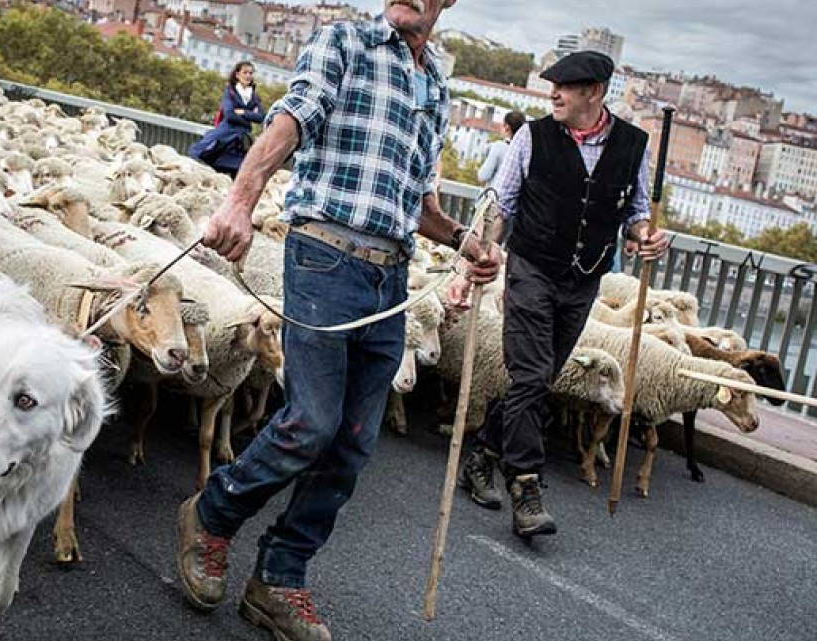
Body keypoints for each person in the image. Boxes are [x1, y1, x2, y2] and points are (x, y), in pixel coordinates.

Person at [176, 2, 499, 640]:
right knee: (312, 423)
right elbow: (289, 122)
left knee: (352, 442)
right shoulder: (346, 42)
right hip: (324, 255)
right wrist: (239, 202)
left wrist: (465, 242)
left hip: (390, 275)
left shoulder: (435, 83)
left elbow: (417, 200)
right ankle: (211, 515)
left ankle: (279, 578)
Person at [452, 51, 669, 538]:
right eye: (553, 84)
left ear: (594, 92)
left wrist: (646, 236)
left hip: (584, 280)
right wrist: (476, 259)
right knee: (531, 375)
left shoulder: (633, 145)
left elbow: (636, 213)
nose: (553, 93)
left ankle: (482, 456)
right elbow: (502, 203)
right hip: (531, 269)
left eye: (565, 86)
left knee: (537, 380)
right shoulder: (531, 136)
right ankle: (526, 486)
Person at [187, 61, 265, 179]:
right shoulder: (230, 92)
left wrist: (243, 112)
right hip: (227, 133)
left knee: (240, 171)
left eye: (250, 73)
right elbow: (229, 115)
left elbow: (261, 117)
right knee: (206, 155)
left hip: (242, 140)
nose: (248, 76)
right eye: (245, 72)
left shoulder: (254, 97)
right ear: (237, 74)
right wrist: (248, 117)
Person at [476, 110, 525, 187]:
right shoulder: (524, 151)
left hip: (495, 192)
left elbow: (483, 176)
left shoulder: (499, 147)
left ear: (506, 127)